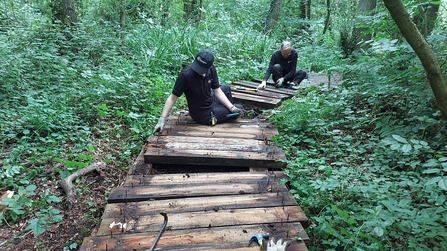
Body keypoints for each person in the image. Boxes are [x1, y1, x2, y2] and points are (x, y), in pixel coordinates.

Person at [153, 49, 245, 134]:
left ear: (209, 66)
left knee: (226, 88)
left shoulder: (211, 69)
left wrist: (231, 108)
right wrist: (162, 119)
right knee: (239, 107)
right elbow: (172, 98)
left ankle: (224, 112)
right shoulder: (186, 75)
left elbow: (217, 91)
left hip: (209, 101)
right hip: (202, 114)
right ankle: (222, 114)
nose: (198, 71)